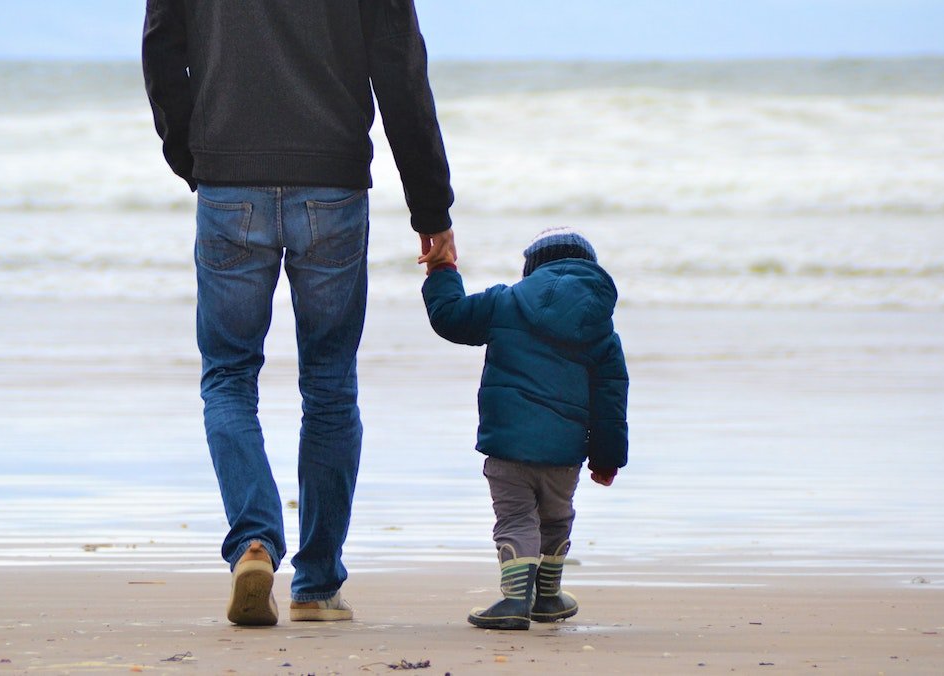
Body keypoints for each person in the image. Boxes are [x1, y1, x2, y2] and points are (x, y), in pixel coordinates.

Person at [142, 0, 455, 626]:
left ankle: (255, 543)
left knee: (229, 378)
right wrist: (431, 210)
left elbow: (160, 51)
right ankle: (315, 585)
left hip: (230, 182)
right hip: (331, 184)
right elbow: (400, 70)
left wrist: (196, 158)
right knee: (331, 384)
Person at [421, 227, 628, 630]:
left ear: (532, 269)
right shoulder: (599, 327)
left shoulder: (505, 302)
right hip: (564, 455)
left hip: (508, 447)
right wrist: (606, 458)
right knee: (555, 518)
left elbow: (449, 317)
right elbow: (611, 398)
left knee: (515, 518)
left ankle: (515, 599)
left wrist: (443, 268)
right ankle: (547, 597)